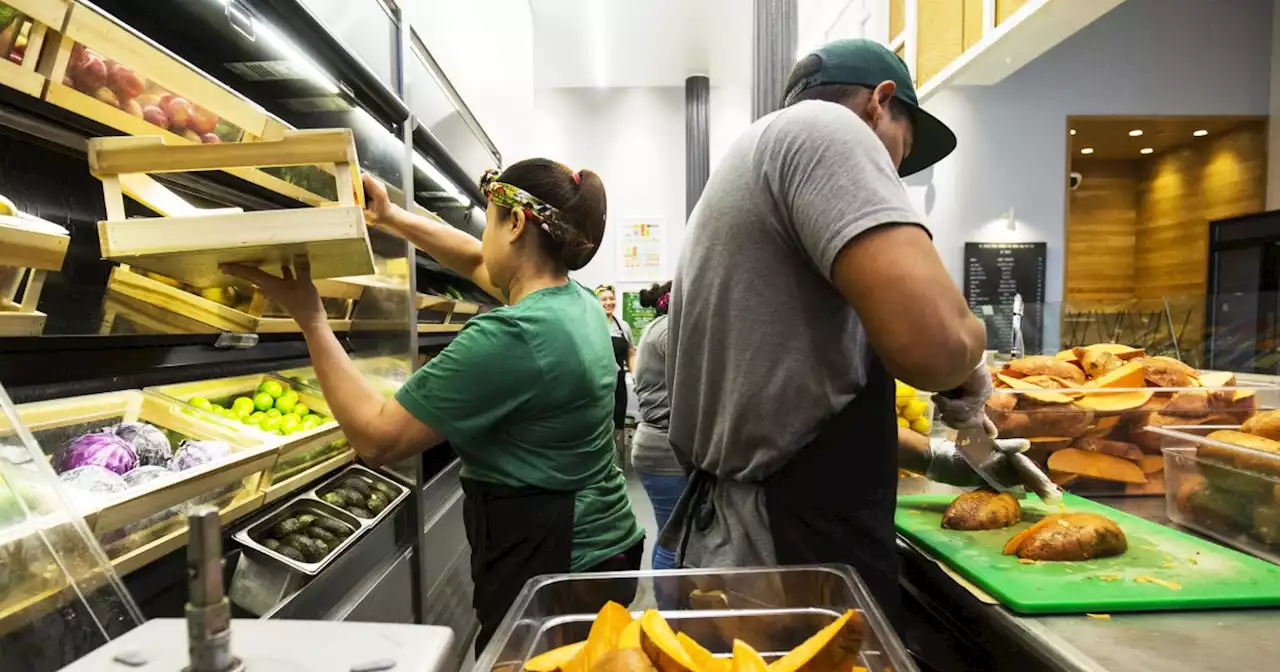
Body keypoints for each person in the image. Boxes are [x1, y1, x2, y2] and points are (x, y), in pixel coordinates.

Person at [224, 159, 644, 654]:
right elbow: (474, 261)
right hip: (602, 544)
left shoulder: (514, 335)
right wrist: (391, 217)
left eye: (488, 218)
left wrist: (311, 317)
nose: (481, 234)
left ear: (515, 223)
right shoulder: (579, 303)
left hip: (557, 556)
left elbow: (377, 438)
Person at [661, 39, 1017, 616]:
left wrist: (939, 457)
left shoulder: (756, 156)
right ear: (880, 103)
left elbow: (796, 401)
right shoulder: (827, 130)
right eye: (901, 153)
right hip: (792, 551)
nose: (894, 173)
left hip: (757, 534)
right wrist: (969, 368)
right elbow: (935, 346)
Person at [629, 281, 684, 570]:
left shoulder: (657, 327)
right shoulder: (670, 331)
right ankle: (669, 612)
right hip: (665, 449)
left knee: (670, 535)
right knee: (674, 541)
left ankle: (669, 610)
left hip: (654, 444)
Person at [595, 284, 635, 462]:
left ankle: (616, 462)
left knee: (618, 421)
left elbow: (631, 352)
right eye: (604, 299)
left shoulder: (623, 326)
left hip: (619, 383)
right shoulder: (592, 325)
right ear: (596, 302)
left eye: (611, 298)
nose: (609, 302)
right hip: (597, 383)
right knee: (599, 423)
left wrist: (634, 375)